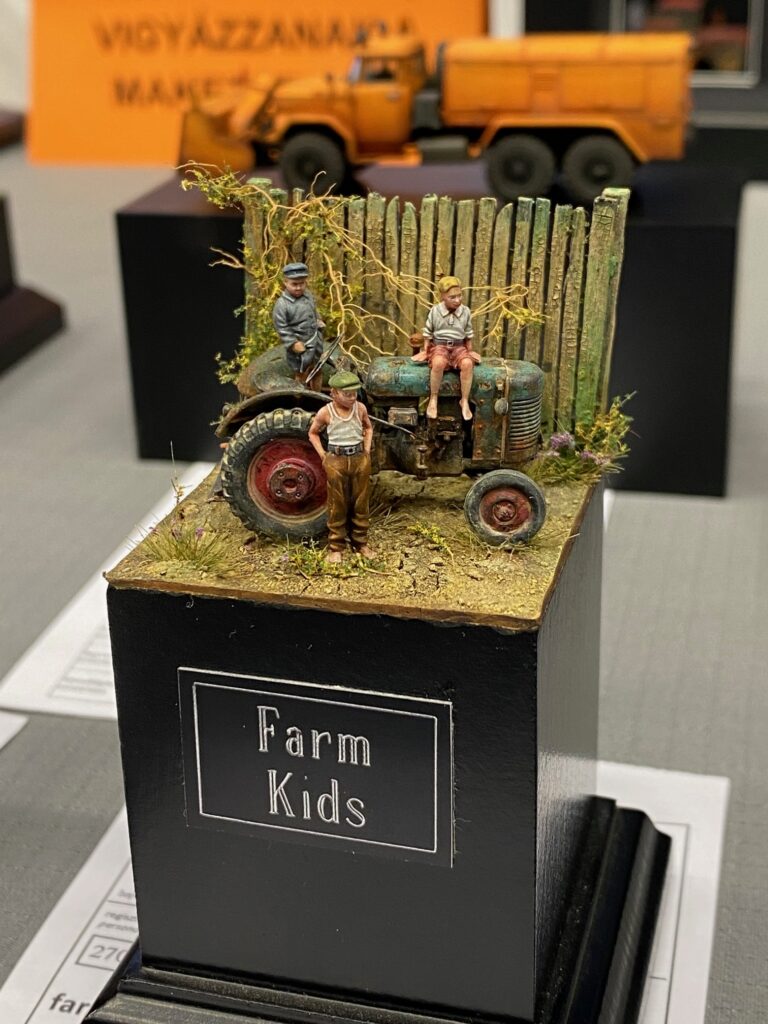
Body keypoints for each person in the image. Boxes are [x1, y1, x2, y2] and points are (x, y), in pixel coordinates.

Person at [308, 371, 374, 563]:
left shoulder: (360, 408)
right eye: (347, 394)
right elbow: (313, 433)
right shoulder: (325, 412)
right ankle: (336, 546)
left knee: (361, 502)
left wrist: (366, 450)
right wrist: (323, 455)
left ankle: (360, 542)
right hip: (336, 460)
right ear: (334, 393)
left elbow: (368, 427)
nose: (352, 397)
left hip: (359, 459)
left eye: (354, 393)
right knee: (337, 504)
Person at [412, 276, 481, 421]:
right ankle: (433, 398)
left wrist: (469, 350)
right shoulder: (435, 311)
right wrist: (426, 350)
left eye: (460, 296)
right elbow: (428, 331)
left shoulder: (465, 311)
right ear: (443, 296)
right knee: (438, 363)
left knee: (467, 364)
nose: (457, 300)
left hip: (458, 347)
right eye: (452, 297)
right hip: (440, 346)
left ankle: (464, 400)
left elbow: (468, 333)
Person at [272, 262, 325, 391]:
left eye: (302, 284)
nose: (298, 288)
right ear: (285, 282)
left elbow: (313, 310)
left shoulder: (308, 296)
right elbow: (281, 327)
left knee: (317, 370)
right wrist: (293, 343)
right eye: (294, 284)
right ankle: (299, 397)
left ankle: (317, 396)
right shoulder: (282, 304)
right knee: (301, 373)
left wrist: (318, 320)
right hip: (299, 348)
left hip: (314, 341)